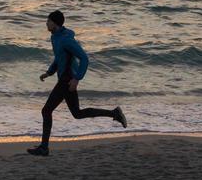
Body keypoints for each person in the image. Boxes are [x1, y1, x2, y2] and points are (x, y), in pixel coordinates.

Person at [27, 10, 127, 156]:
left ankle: (44, 147)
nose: (46, 23)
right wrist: (49, 72)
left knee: (46, 110)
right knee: (77, 113)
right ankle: (115, 113)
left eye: (48, 21)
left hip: (67, 80)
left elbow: (84, 59)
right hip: (64, 78)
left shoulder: (67, 40)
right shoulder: (55, 37)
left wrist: (77, 79)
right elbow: (59, 57)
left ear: (55, 23)